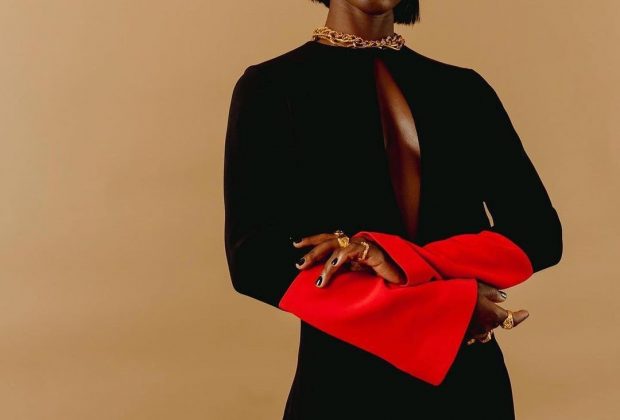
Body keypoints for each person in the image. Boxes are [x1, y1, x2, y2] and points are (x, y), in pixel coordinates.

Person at [223, 1, 563, 418]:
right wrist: (447, 309)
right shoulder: (271, 87)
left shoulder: (463, 90)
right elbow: (255, 259)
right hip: (344, 386)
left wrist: (391, 257)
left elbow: (539, 234)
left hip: (469, 387)